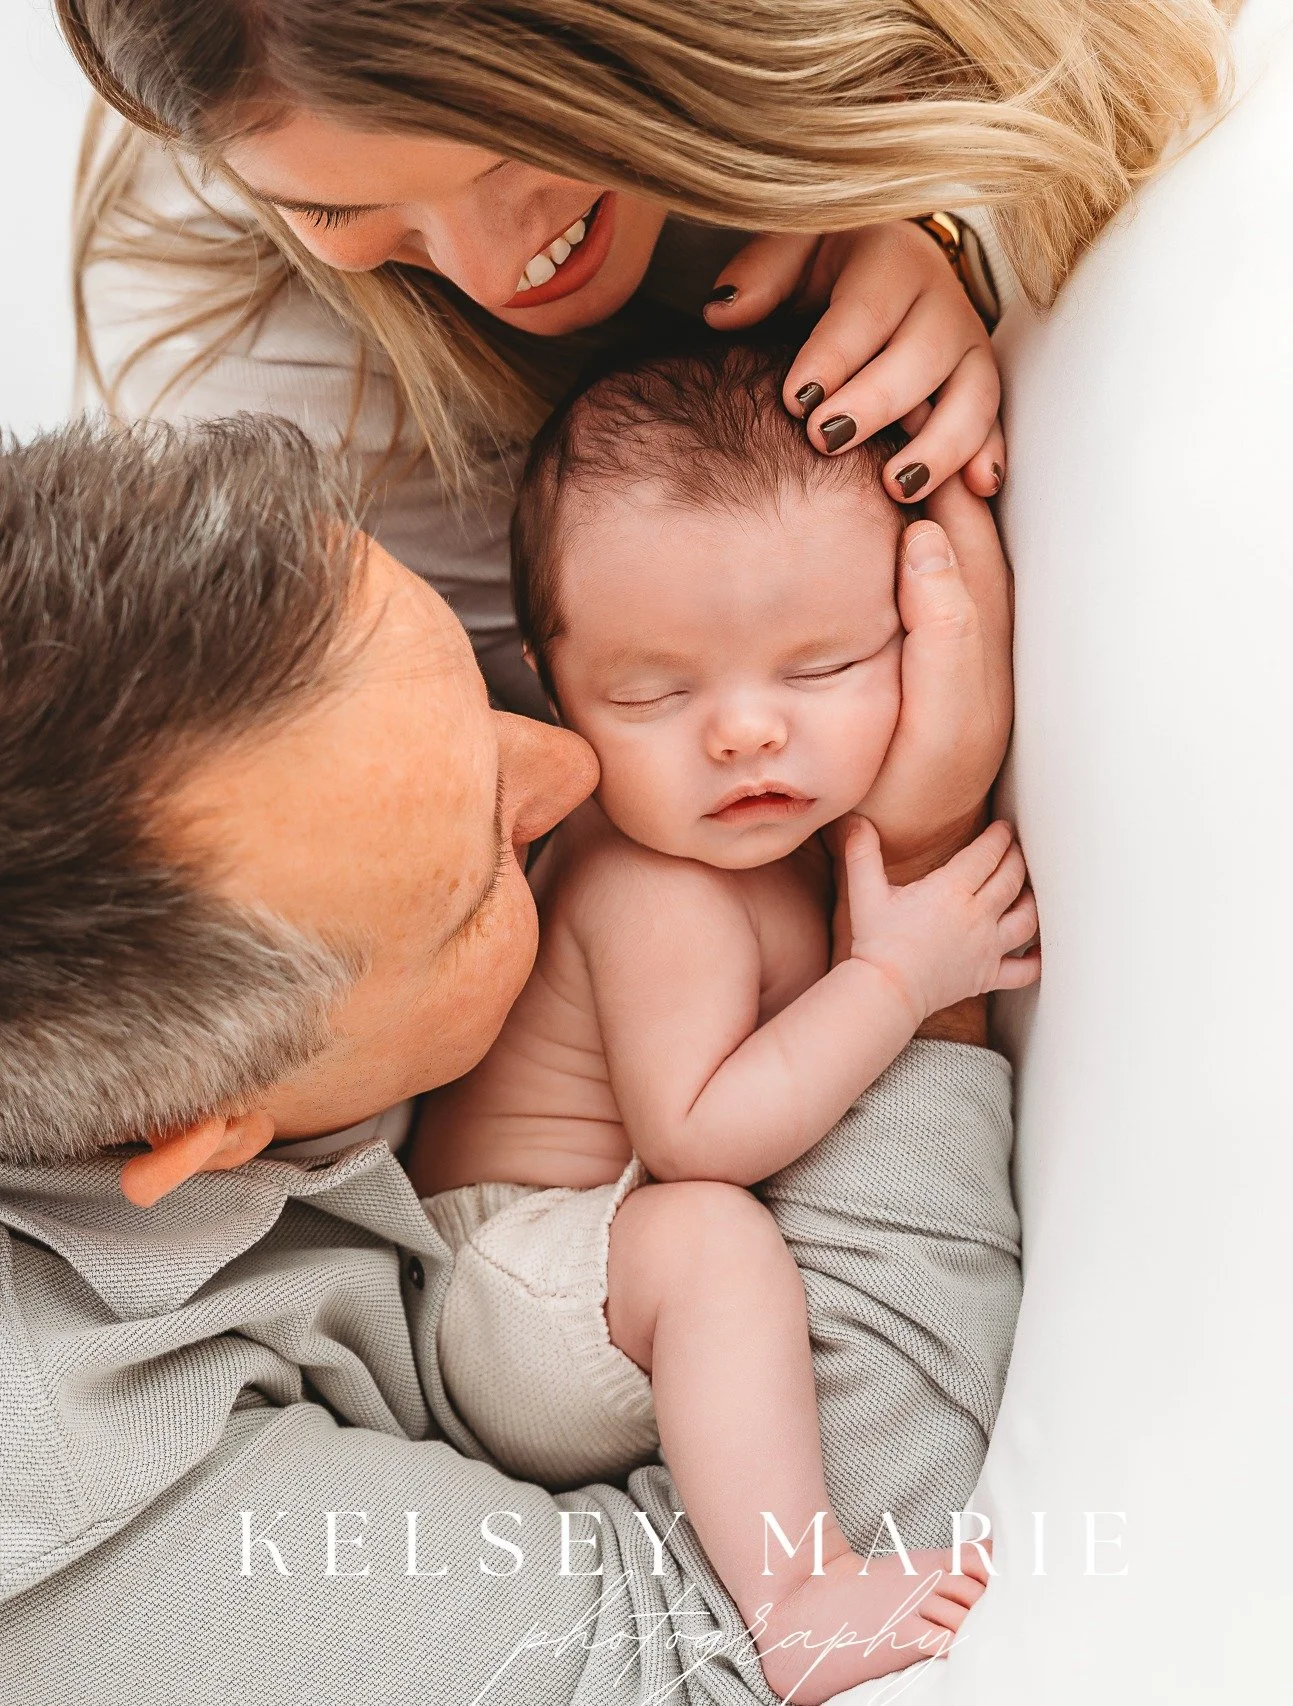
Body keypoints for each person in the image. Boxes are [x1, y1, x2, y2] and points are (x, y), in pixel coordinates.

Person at [0, 415, 1022, 1705]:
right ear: (206, 1127)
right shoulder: (100, 1520)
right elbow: (731, 1644)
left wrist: (886, 244)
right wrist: (920, 866)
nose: (580, 764)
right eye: (488, 862)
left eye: (489, 699)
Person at [409, 338, 1040, 1703]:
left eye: (822, 666)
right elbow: (700, 1134)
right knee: (707, 1233)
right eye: (653, 693)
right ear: (553, 687)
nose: (747, 734)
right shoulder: (656, 884)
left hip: (611, 1309)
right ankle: (795, 1595)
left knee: (719, 1254)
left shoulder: (776, 838)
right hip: (508, 1295)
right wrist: (897, 980)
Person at [57, 0, 1233, 723]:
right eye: (336, 208)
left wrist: (936, 204)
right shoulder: (248, 363)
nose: (494, 266)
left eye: (514, 148)